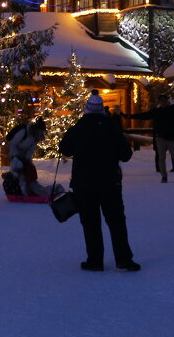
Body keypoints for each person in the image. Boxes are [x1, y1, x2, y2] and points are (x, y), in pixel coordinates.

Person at [59, 91, 140, 272]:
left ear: (86, 110)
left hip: (84, 184)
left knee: (90, 223)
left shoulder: (77, 129)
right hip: (110, 183)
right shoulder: (112, 128)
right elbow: (126, 155)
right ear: (102, 110)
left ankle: (95, 260)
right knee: (116, 221)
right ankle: (124, 259)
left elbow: (65, 148)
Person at [125, 94, 174, 182]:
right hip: (161, 138)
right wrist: (130, 116)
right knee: (162, 158)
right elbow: (144, 115)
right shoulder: (156, 111)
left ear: (167, 101)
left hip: (173, 138)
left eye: (164, 101)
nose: (163, 103)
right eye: (161, 101)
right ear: (159, 102)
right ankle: (164, 176)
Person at [8, 118, 49, 197]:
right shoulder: (24, 131)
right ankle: (17, 191)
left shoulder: (36, 137)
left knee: (29, 170)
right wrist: (15, 157)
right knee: (17, 171)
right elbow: (13, 144)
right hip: (15, 153)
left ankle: (28, 190)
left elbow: (30, 150)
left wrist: (27, 161)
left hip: (23, 155)